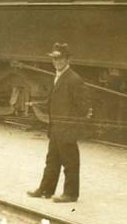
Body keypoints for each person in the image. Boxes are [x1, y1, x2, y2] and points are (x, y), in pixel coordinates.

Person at [27, 43, 89, 203]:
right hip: (56, 127)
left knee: (70, 162)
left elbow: (83, 107)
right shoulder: (58, 76)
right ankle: (45, 189)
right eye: (54, 58)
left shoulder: (74, 79)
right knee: (52, 160)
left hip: (66, 128)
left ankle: (71, 194)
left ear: (67, 59)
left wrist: (71, 126)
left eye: (59, 58)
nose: (56, 62)